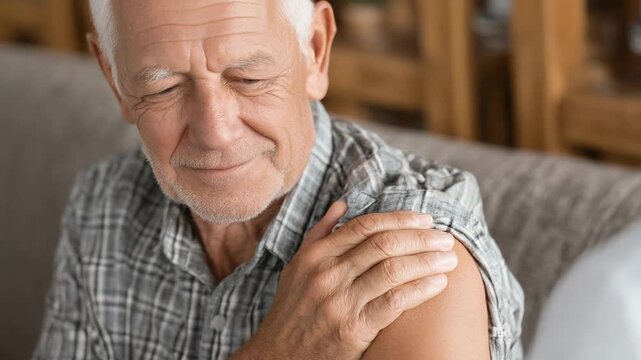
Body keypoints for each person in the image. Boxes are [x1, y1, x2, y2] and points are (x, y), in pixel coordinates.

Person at [33, 0, 523, 359]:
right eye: (165, 86)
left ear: (315, 50)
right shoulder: (101, 206)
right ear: (113, 77)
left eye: (248, 78)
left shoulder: (410, 252)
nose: (216, 133)